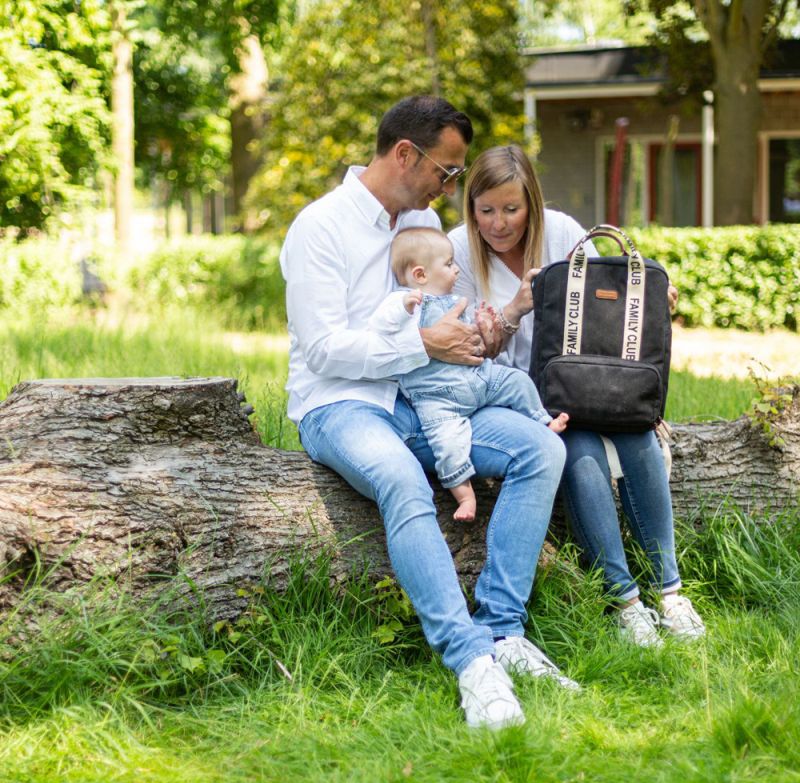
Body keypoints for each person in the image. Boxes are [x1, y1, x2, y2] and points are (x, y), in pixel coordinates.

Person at [280, 96, 579, 732]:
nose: (450, 189)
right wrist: (419, 344)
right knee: (400, 478)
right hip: (341, 404)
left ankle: (501, 629)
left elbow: (451, 311)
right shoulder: (320, 227)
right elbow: (323, 348)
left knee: (541, 449)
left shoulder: (416, 222)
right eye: (446, 172)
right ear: (405, 155)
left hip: (426, 398)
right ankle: (472, 663)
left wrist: (469, 335)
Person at [449, 144, 706, 648]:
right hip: (507, 396)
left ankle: (670, 591)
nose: (498, 223)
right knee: (580, 453)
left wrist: (652, 296)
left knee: (638, 442)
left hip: (581, 384)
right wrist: (516, 307)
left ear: (532, 205)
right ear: (471, 208)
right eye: (486, 210)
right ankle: (625, 600)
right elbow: (461, 350)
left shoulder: (564, 233)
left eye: (511, 209)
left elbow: (604, 312)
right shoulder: (456, 250)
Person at [369, 226, 568, 522]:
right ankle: (465, 496)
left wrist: (483, 326)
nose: (457, 270)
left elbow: (470, 341)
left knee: (517, 381)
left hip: (479, 378)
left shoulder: (453, 300)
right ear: (421, 275)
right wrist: (402, 306)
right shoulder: (403, 302)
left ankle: (540, 419)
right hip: (438, 399)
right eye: (449, 264)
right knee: (448, 445)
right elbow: (380, 328)